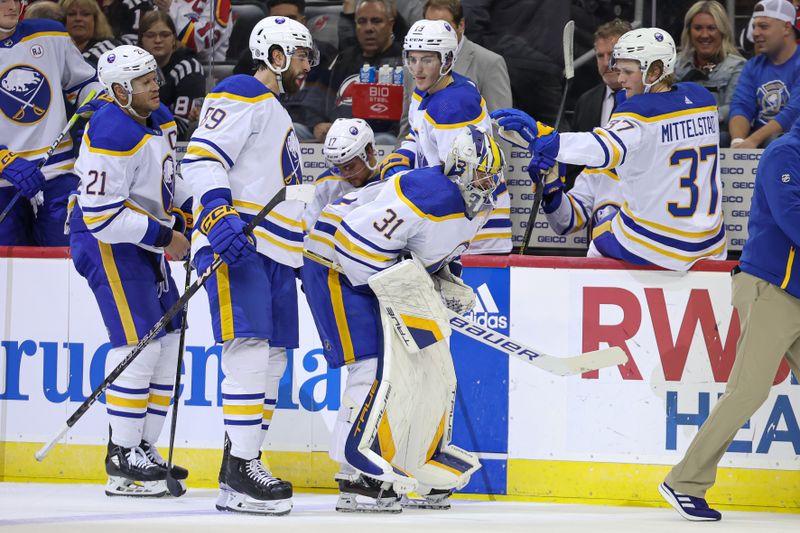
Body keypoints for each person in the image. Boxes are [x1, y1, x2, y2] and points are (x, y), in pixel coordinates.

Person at [302, 125, 501, 512]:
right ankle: (355, 473)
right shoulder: (427, 194)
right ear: (460, 168)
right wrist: (416, 285)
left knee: (426, 365)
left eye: (492, 174)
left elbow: (430, 251)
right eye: (481, 173)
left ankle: (415, 457)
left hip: (376, 267)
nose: (488, 181)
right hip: (334, 264)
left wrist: (445, 278)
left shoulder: (478, 204)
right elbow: (355, 248)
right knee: (373, 364)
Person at [181, 15, 318, 516]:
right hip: (240, 243)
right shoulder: (240, 90)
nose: (307, 65)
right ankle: (242, 466)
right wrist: (216, 215)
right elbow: (201, 158)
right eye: (301, 54)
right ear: (276, 56)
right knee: (250, 348)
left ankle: (237, 468)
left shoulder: (275, 108)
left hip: (276, 250)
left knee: (275, 357)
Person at [659, 111, 800, 524]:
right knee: (747, 390)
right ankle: (684, 481)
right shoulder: (784, 153)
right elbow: (793, 220)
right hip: (770, 289)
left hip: (792, 291)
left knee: (747, 389)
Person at [493, 28, 726, 271]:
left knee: (603, 229)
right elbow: (566, 221)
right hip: (711, 245)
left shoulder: (637, 116)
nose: (620, 79)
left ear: (655, 71)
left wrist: (550, 141)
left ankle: (594, 300)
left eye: (628, 72)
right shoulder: (703, 101)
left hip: (660, 248)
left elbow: (604, 145)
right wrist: (551, 189)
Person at [68, 45, 192, 497]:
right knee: (139, 343)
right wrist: (167, 238)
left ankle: (142, 446)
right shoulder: (110, 130)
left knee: (171, 338)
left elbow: (167, 181)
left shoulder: (157, 120)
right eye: (143, 82)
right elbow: (101, 216)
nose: (155, 85)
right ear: (119, 90)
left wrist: (185, 213)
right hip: (106, 243)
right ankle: (121, 457)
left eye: (154, 76)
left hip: (141, 237)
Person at [382, 18, 510, 254]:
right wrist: (403, 155)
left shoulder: (454, 106)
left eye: (427, 60)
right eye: (412, 59)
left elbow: (462, 184)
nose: (417, 69)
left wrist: (404, 183)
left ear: (447, 60)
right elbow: (418, 134)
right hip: (451, 225)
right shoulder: (428, 88)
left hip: (474, 234)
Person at [0, 0, 103, 246]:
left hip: (56, 172)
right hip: (4, 180)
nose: (12, 6)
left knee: (65, 259)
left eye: (16, 0)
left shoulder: (49, 34)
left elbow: (83, 83)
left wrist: (99, 99)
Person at [397, 0, 512, 141]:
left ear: (461, 25)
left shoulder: (489, 63)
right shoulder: (413, 64)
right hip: (422, 158)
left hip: (471, 157)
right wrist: (398, 158)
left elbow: (500, 127)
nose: (435, 32)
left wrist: (496, 162)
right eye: (430, 24)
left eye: (444, 25)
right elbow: (407, 127)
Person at [232, 0, 335, 143]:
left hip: (306, 127)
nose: (307, 67)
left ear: (303, 21)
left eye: (291, 19)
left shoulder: (325, 54)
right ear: (277, 57)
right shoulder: (245, 67)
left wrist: (315, 123)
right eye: (277, 21)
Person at [460, 0, 569, 125]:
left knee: (506, 130)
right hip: (545, 63)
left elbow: (470, 17)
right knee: (554, 136)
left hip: (511, 63)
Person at [316, 0, 404, 144]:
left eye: (376, 21)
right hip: (341, 135)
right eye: (362, 22)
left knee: (383, 140)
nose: (368, 28)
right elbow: (318, 99)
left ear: (391, 24)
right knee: (297, 129)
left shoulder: (404, 61)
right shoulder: (342, 59)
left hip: (385, 136)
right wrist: (318, 123)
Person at [568, 18, 632, 187]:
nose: (605, 63)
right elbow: (577, 162)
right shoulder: (586, 101)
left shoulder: (647, 99)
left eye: (612, 55)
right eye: (600, 56)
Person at [729, 0, 800, 149]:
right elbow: (741, 106)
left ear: (786, 28)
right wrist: (738, 142)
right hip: (759, 142)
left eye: (763, 27)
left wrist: (752, 141)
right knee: (723, 138)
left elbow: (793, 112)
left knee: (776, 141)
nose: (755, 33)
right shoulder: (753, 65)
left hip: (792, 145)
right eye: (754, 26)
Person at [675, 1, 744, 148]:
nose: (704, 35)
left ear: (722, 31)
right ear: (689, 31)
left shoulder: (738, 66)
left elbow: (735, 108)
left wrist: (698, 118)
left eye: (711, 28)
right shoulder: (675, 64)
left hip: (717, 135)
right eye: (698, 28)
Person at [303, 117, 381, 230]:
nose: (344, 175)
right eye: (338, 168)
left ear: (368, 151)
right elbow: (308, 230)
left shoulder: (390, 181)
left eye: (349, 167)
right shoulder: (325, 184)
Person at [138, 10, 205, 141]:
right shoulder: (132, 69)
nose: (158, 40)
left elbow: (182, 126)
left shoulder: (189, 67)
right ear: (141, 41)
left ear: (174, 39)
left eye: (164, 35)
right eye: (150, 35)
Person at [61, 0, 120, 66]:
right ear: (63, 20)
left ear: (96, 20)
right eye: (71, 14)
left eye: (85, 14)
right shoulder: (57, 50)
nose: (78, 19)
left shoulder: (108, 48)